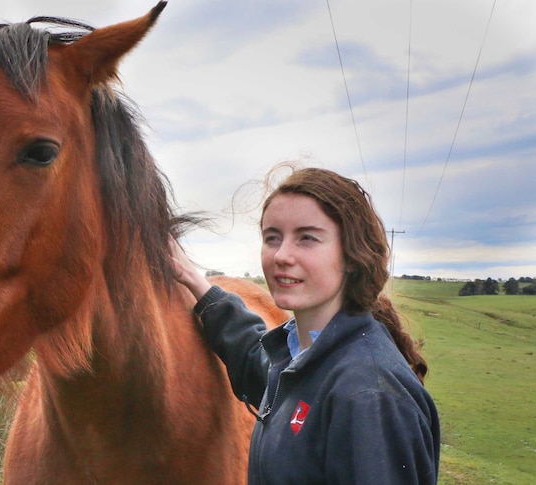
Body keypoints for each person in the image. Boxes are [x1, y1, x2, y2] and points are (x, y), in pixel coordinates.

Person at [170, 166, 440, 484]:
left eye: (307, 238)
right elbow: (257, 361)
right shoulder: (305, 357)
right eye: (273, 237)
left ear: (352, 255)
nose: (282, 255)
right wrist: (193, 280)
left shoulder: (368, 396)